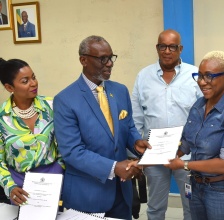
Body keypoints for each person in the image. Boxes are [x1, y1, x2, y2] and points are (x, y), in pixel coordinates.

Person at [53, 35, 151, 220]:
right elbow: (72, 152)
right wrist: (114, 167)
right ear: (83, 60)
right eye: (102, 59)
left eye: (111, 57)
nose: (109, 64)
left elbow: (128, 125)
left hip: (122, 194)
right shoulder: (65, 100)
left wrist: (135, 141)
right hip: (88, 194)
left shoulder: (120, 90)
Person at [165, 51, 224, 220]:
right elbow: (186, 143)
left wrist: (184, 164)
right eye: (199, 76)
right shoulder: (199, 105)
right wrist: (160, 154)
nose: (202, 82)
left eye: (209, 76)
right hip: (197, 186)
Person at [131, 29, 201, 220]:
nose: (167, 51)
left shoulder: (195, 74)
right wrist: (138, 146)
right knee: (155, 206)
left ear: (180, 49)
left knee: (190, 204)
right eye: (163, 46)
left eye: (172, 47)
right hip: (154, 152)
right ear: (157, 48)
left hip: (185, 153)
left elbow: (204, 113)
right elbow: (136, 115)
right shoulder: (143, 76)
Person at [0, 58, 64, 206]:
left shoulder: (52, 106)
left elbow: (65, 142)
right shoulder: (2, 117)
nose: (34, 83)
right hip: (19, 187)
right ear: (10, 87)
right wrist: (10, 187)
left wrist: (59, 168)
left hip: (52, 179)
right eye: (25, 81)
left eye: (33, 77)